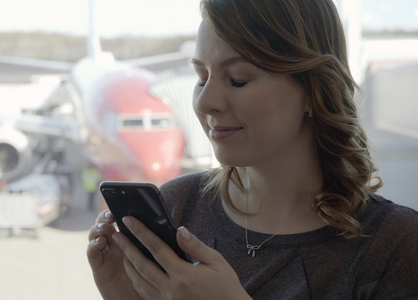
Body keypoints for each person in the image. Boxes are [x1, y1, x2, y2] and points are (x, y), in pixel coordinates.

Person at [86, 0, 418, 299]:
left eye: (238, 79)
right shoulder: (177, 206)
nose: (205, 102)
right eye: (201, 77)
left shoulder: (394, 245)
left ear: (315, 89)